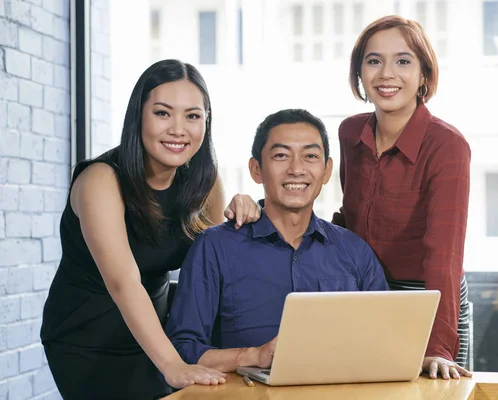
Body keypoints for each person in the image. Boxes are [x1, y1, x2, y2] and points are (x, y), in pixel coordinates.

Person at [40, 59, 261, 400]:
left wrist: (243, 214)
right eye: (162, 113)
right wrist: (172, 365)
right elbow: (123, 282)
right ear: (138, 116)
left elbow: (218, 271)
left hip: (159, 335)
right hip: (88, 340)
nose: (178, 129)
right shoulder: (100, 180)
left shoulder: (205, 183)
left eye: (192, 116)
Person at [165, 109, 389, 372]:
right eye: (281, 156)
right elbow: (182, 348)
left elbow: (386, 344)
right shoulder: (215, 247)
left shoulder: (356, 252)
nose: (296, 169)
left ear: (327, 171)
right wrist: (252, 356)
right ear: (256, 169)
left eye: (310, 156)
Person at [332, 15, 472, 380]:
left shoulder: (447, 145)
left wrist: (437, 346)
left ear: (424, 75)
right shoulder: (350, 132)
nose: (386, 73)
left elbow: (444, 253)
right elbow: (348, 222)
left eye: (403, 61)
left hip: (426, 299)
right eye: (374, 60)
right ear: (359, 73)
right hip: (364, 295)